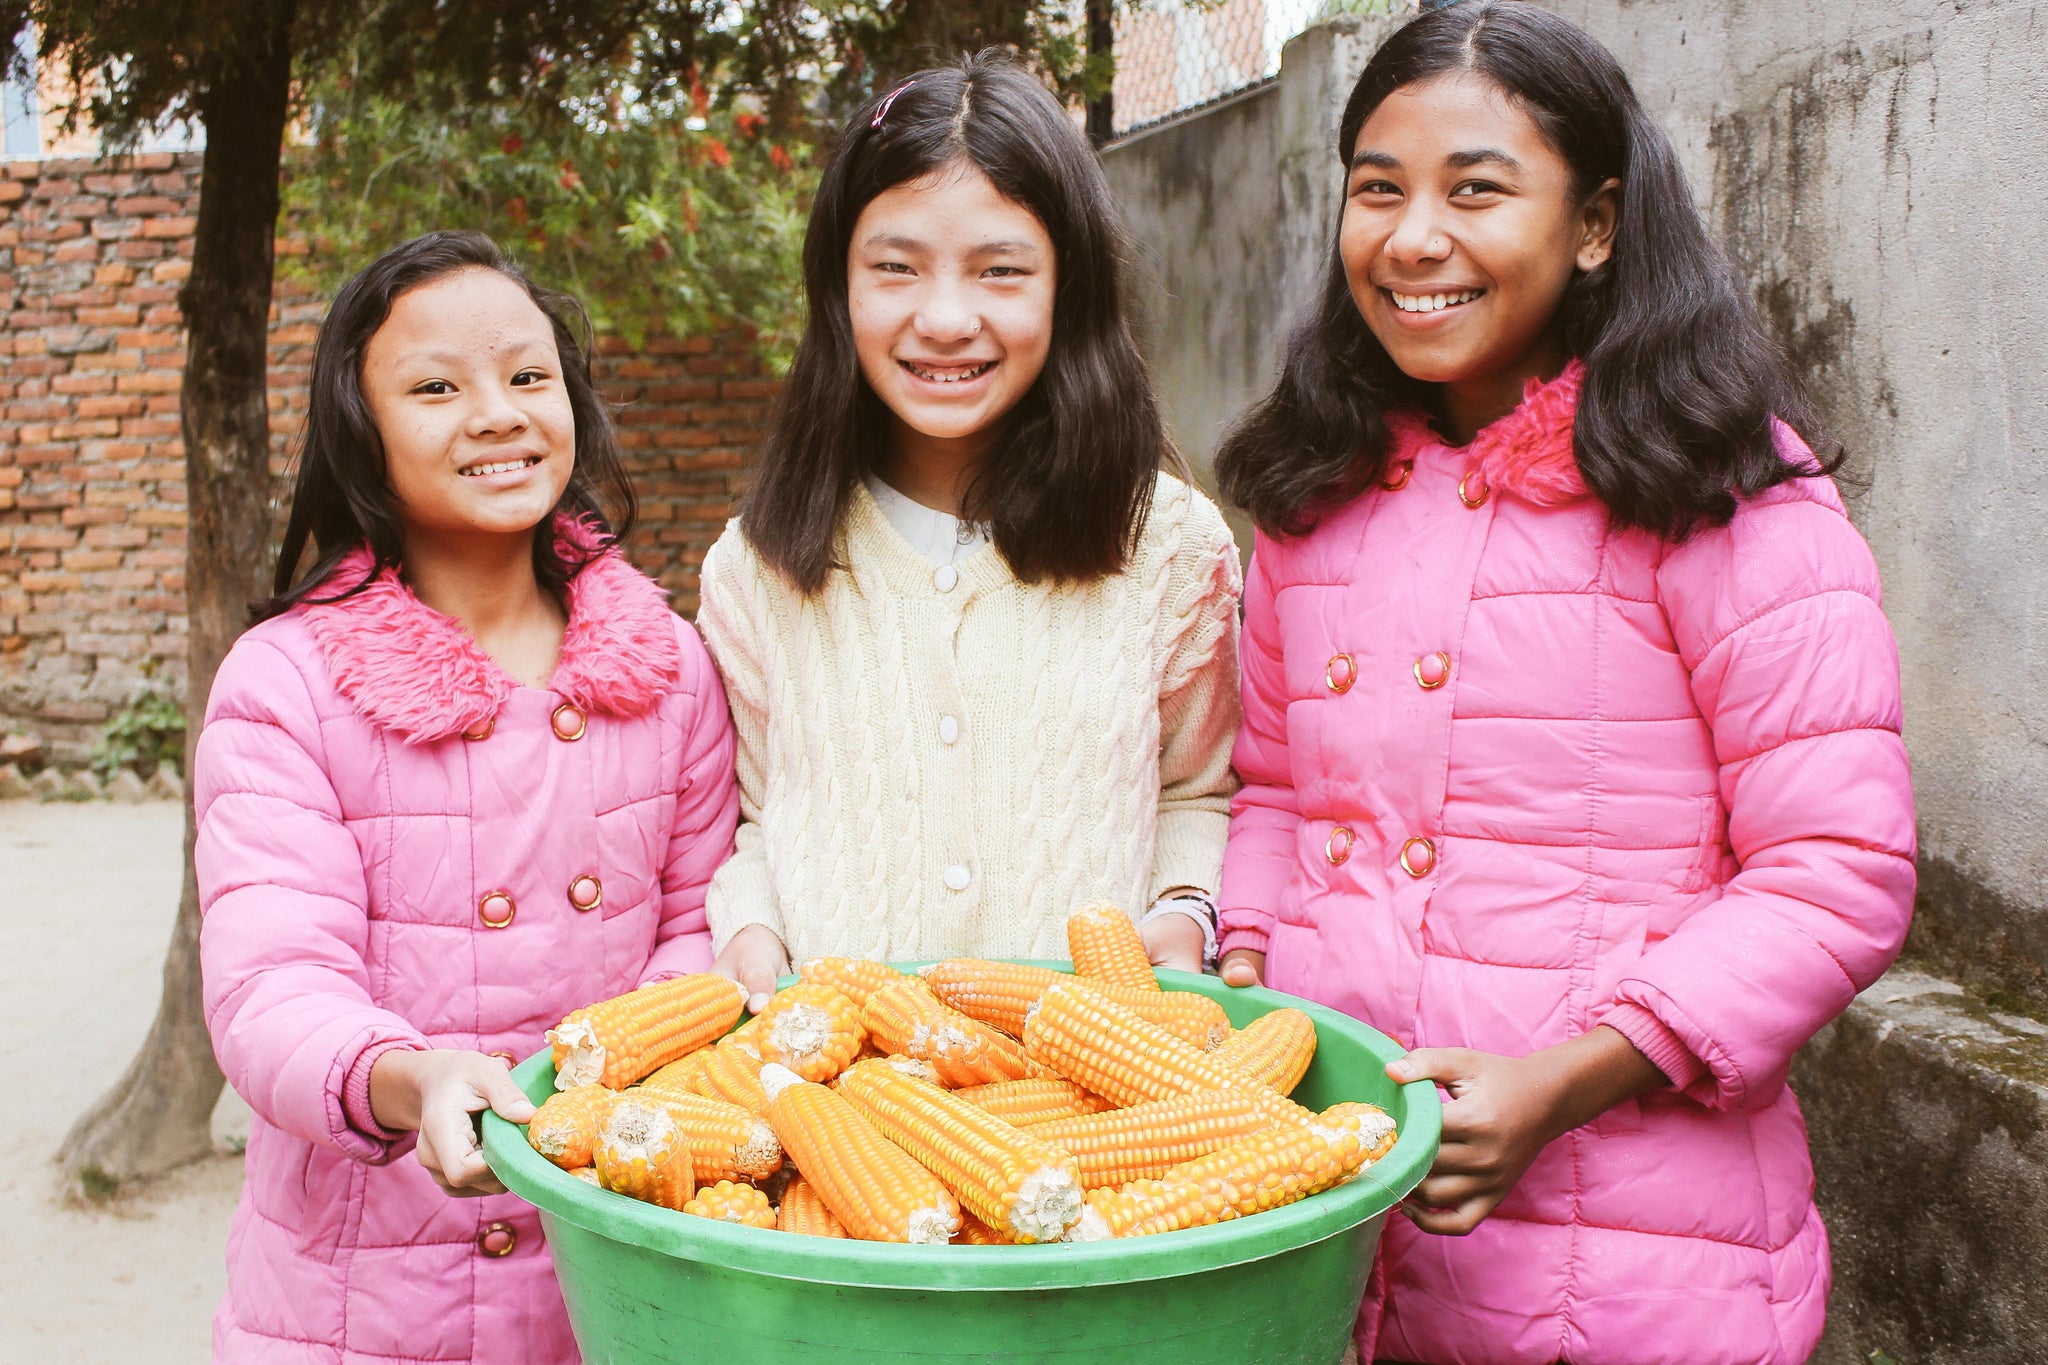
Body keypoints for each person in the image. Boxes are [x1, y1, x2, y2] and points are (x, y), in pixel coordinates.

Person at [1212, 6, 1915, 1363]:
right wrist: (1255, 996)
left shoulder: (1721, 484)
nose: (1415, 238)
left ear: (1594, 224)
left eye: (1477, 188)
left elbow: (1837, 867)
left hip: (1639, 1261)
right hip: (1337, 1225)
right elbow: (1278, 795)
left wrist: (1563, 1081)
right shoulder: (1311, 500)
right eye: (1378, 190)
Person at [193, 230, 738, 1364]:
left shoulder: (671, 665)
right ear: (362, 429)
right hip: (362, 1305)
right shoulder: (288, 683)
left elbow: (699, 928)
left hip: (618, 1265)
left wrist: (611, 1084)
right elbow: (270, 985)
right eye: (436, 387)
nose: (495, 413)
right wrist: (410, 1077)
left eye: (528, 377)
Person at [699, 52, 1242, 1010]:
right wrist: (750, 929)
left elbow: (1196, 790)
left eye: (1000, 271)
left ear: (1066, 288)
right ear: (838, 287)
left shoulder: (1170, 546)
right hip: (848, 1112)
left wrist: (1182, 910)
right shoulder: (758, 567)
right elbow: (753, 816)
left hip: (1084, 1113)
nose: (945, 318)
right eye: (896, 268)